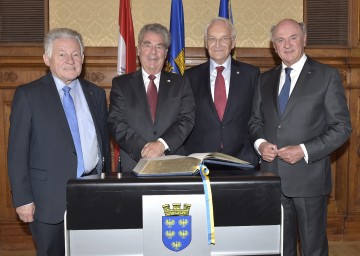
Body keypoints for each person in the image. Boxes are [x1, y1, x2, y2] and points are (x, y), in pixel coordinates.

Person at [248, 19, 352, 255]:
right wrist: (260, 143)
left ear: (304, 39)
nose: (287, 44)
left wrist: (304, 150)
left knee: (312, 248)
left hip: (309, 180)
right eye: (280, 40)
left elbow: (342, 127)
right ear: (273, 46)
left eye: (293, 37)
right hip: (272, 178)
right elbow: (255, 122)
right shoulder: (264, 80)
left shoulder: (326, 76)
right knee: (279, 248)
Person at [7, 28, 110, 255]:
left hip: (92, 194)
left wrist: (107, 187)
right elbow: (17, 153)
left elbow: (103, 147)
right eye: (62, 54)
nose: (70, 60)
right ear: (47, 58)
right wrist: (23, 198)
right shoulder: (28, 95)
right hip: (48, 200)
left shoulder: (96, 94)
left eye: (76, 54)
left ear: (83, 59)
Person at [108, 23, 195, 172]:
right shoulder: (121, 84)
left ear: (166, 52)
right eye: (147, 45)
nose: (153, 52)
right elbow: (116, 123)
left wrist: (161, 145)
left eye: (159, 46)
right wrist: (144, 150)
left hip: (174, 164)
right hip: (134, 165)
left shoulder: (181, 83)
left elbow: (187, 119)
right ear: (139, 50)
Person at [183, 17, 259, 166]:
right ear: (206, 43)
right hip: (200, 161)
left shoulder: (251, 74)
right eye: (212, 39)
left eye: (224, 38)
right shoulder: (190, 77)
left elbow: (258, 117)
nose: (218, 44)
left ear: (233, 42)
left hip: (243, 161)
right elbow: (184, 118)